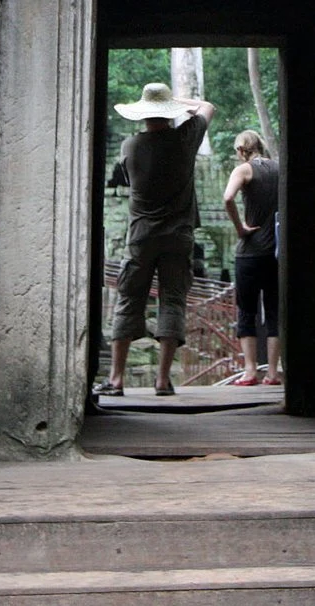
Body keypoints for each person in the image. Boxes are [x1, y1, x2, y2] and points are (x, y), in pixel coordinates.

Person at [99, 82, 216, 397]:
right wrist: (178, 101)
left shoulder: (130, 146)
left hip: (141, 235)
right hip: (178, 235)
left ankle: (116, 379)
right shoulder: (184, 140)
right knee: (173, 301)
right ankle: (163, 380)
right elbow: (207, 107)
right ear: (169, 113)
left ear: (142, 114)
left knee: (128, 298)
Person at [221, 130, 281, 387]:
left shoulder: (243, 170)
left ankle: (249, 371)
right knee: (275, 311)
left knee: (247, 311)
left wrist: (240, 227)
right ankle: (273, 373)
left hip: (249, 253)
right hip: (276, 253)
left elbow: (228, 197)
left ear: (240, 150)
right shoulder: (280, 169)